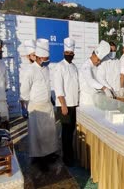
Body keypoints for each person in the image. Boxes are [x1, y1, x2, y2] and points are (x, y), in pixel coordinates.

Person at [20, 38, 58, 172]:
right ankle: (40, 160)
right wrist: (24, 107)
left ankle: (48, 154)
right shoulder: (30, 71)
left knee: (49, 133)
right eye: (44, 58)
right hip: (36, 108)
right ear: (38, 57)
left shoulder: (47, 69)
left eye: (48, 58)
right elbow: (24, 91)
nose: (46, 60)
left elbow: (48, 86)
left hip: (47, 105)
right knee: (39, 135)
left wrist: (52, 100)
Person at [54, 37, 79, 167]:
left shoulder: (74, 67)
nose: (70, 55)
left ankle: (71, 155)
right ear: (64, 53)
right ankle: (67, 158)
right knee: (66, 133)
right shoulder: (59, 66)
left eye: (71, 53)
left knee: (72, 131)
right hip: (64, 105)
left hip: (74, 104)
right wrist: (63, 105)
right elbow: (59, 88)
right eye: (67, 53)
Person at [79, 40, 113, 105]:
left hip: (94, 99)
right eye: (98, 60)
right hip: (86, 100)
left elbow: (99, 79)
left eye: (100, 60)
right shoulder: (86, 66)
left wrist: (109, 88)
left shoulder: (94, 66)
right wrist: (104, 88)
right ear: (93, 55)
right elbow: (90, 81)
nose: (98, 62)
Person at [18, 39, 36, 119]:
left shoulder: (42, 67)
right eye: (33, 55)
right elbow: (23, 90)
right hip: (31, 102)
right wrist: (23, 107)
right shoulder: (25, 70)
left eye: (37, 55)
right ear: (28, 56)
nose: (36, 57)